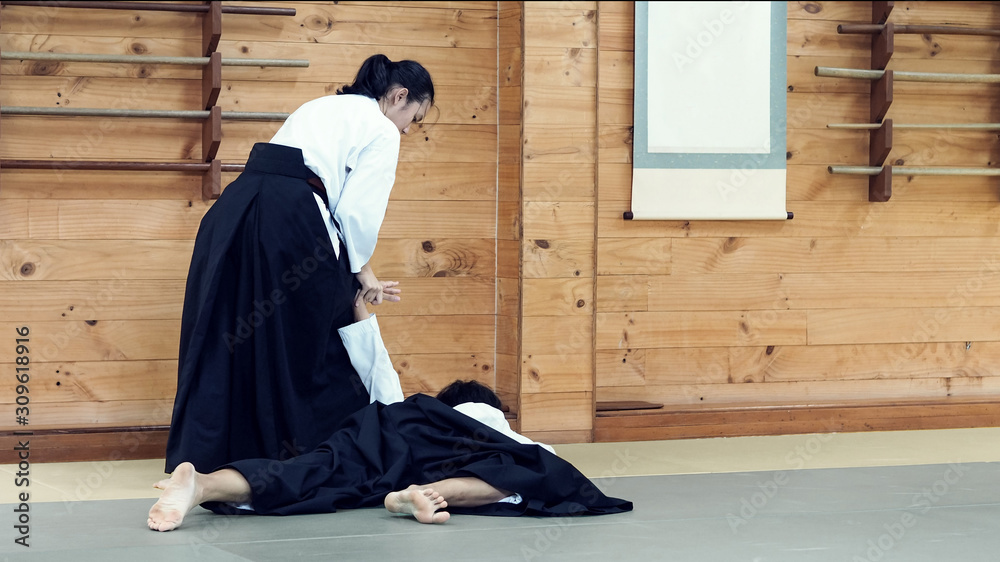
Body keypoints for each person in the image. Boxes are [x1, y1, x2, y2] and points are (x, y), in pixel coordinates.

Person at [164, 54, 434, 475]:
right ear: (400, 96)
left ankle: (210, 459)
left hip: (235, 210)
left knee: (233, 329)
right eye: (413, 118)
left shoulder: (320, 105)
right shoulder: (381, 128)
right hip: (290, 218)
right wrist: (361, 270)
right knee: (311, 337)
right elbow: (356, 213)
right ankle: (300, 461)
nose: (407, 129)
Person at [149, 304, 632, 531]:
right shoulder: (494, 425)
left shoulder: (414, 407)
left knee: (315, 471)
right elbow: (543, 461)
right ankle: (426, 496)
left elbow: (374, 361)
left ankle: (205, 484)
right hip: (444, 460)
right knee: (538, 469)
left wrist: (361, 299)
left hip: (388, 433)